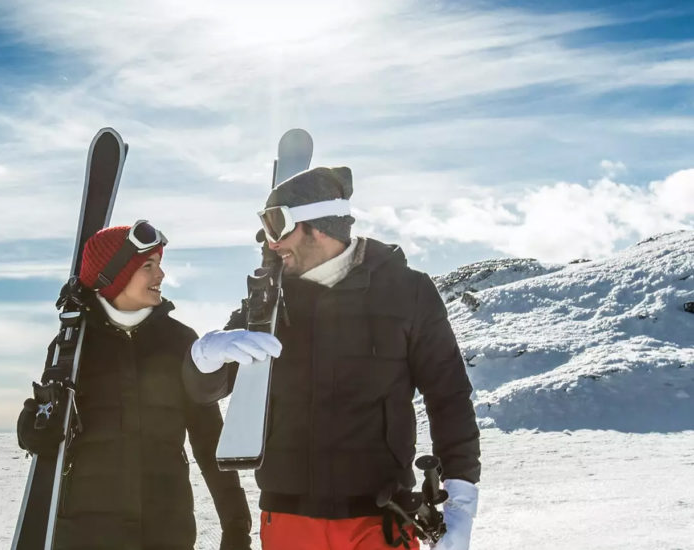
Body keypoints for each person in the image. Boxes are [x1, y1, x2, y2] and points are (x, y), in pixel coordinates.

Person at [183, 167, 481, 550]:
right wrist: (205, 357)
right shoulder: (269, 301)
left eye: (278, 229)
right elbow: (207, 389)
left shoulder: (407, 292)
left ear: (317, 227)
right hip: (289, 520)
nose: (272, 244)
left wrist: (460, 501)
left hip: (378, 520)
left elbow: (449, 398)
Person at [18, 221, 253, 550]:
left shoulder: (179, 342)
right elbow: (48, 435)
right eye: (148, 266)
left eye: (159, 264)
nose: (161, 275)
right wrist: (33, 428)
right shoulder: (71, 345)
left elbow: (209, 440)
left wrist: (236, 527)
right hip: (85, 535)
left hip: (165, 532)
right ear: (115, 274)